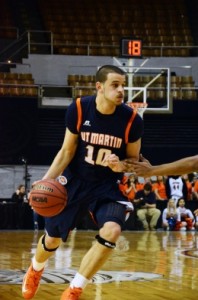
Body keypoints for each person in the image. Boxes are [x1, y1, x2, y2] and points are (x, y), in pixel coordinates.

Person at [22, 65, 144, 300]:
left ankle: (75, 289)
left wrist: (120, 166)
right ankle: (36, 269)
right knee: (52, 239)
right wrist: (45, 181)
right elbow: (67, 151)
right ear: (99, 87)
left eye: (123, 85)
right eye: (115, 85)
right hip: (75, 181)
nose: (121, 90)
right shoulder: (79, 108)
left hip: (106, 186)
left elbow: (134, 160)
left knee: (113, 230)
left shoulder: (131, 120)